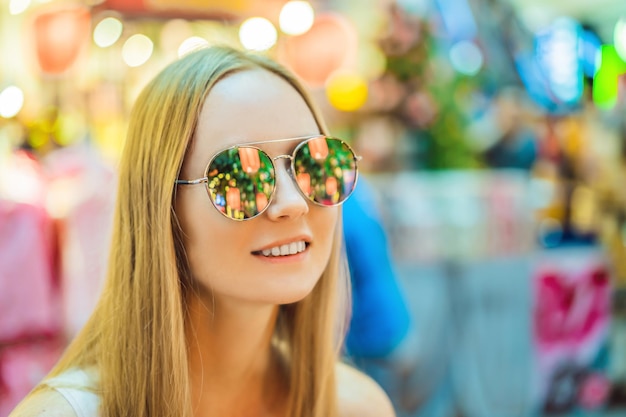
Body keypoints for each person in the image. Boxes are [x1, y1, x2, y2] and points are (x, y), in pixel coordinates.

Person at [9, 46, 395, 417]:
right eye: (239, 175)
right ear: (161, 206)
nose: (293, 203)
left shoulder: (356, 408)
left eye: (316, 162)